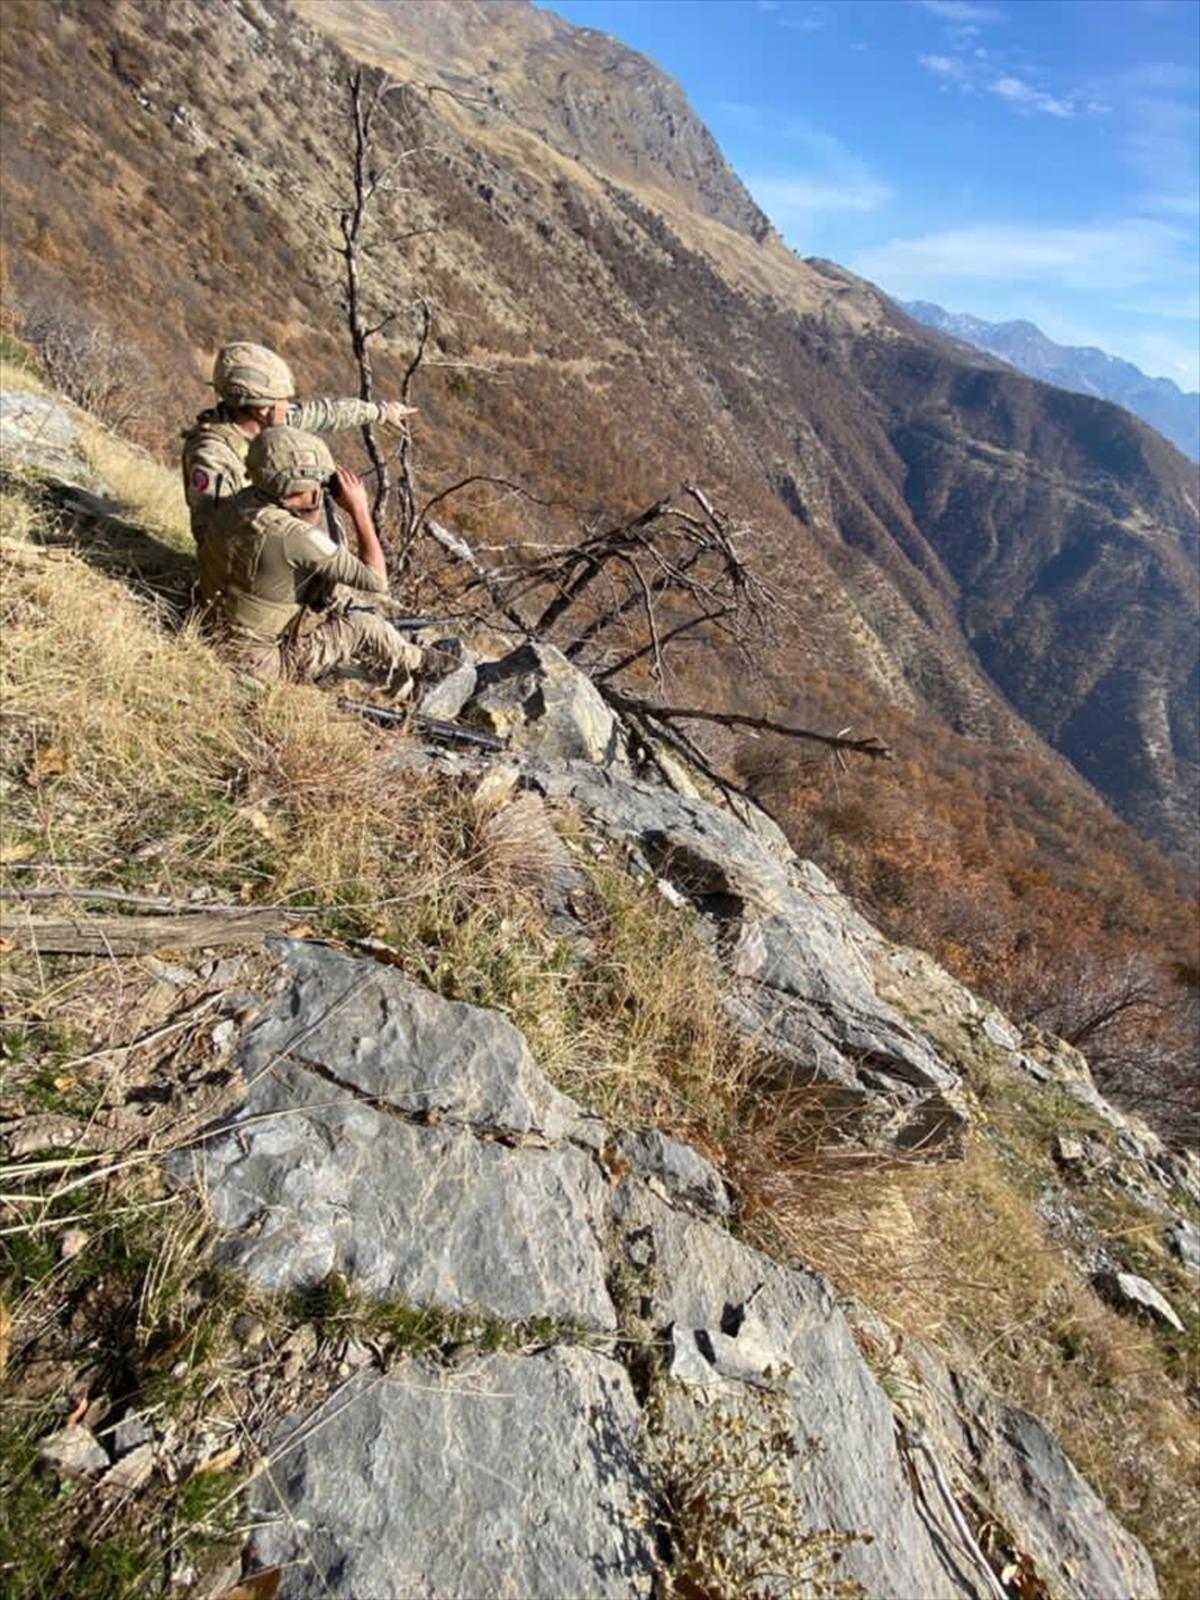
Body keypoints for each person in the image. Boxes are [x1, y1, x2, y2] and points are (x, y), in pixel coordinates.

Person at [198, 425, 423, 690]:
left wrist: (311, 502)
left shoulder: (239, 503)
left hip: (209, 623)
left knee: (332, 589)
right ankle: (422, 662)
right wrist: (359, 510)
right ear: (298, 489)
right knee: (364, 626)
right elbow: (376, 580)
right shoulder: (293, 536)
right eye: (318, 484)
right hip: (260, 663)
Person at [181, 341, 415, 545]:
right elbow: (212, 535)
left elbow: (326, 413)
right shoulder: (213, 456)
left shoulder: (272, 423)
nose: (288, 406)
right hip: (251, 562)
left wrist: (381, 412)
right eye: (282, 400)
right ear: (262, 409)